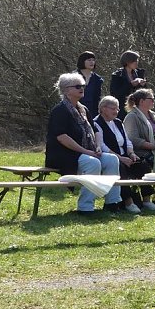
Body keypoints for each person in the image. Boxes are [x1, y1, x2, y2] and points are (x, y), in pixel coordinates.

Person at [45, 73, 122, 214]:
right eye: (77, 86)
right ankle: (85, 207)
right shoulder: (59, 111)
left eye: (83, 86)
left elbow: (95, 131)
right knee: (93, 163)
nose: (82, 88)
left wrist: (97, 146)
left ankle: (112, 202)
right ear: (67, 90)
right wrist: (86, 152)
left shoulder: (84, 109)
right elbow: (62, 138)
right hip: (65, 155)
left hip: (87, 152)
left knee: (112, 159)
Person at [94, 95, 151, 213]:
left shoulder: (118, 122)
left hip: (125, 155)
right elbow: (102, 146)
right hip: (111, 157)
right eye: (113, 108)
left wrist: (132, 154)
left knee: (143, 165)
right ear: (103, 108)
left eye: (118, 109)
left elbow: (127, 140)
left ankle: (147, 200)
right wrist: (121, 158)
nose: (116, 111)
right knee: (120, 168)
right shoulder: (96, 123)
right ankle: (128, 202)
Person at [109, 50, 147, 121]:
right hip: (123, 107)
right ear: (127, 62)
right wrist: (130, 84)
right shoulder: (117, 75)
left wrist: (142, 85)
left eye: (137, 60)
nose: (136, 63)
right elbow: (115, 93)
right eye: (134, 61)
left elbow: (144, 93)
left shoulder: (139, 73)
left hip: (137, 107)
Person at [77, 51, 104, 121]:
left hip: (92, 112)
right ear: (82, 61)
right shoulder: (74, 77)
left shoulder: (97, 79)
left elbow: (97, 98)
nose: (92, 62)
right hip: (76, 110)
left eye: (93, 60)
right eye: (89, 60)